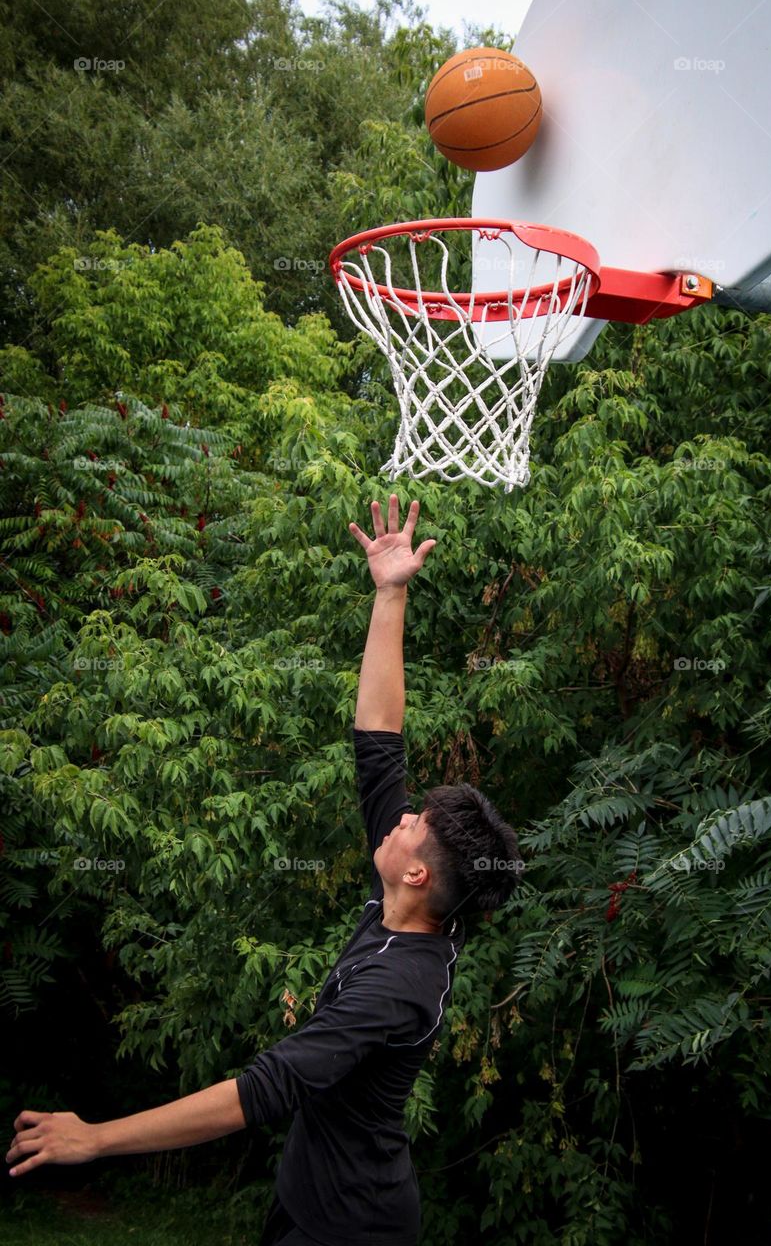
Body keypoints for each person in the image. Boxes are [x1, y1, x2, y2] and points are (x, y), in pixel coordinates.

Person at [5, 494, 523, 1246]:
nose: (401, 817)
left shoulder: (394, 990)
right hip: (315, 1210)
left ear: (418, 874)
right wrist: (390, 592)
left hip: (350, 1232)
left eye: (413, 824)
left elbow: (262, 1090)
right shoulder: (410, 900)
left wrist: (96, 1139)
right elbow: (379, 740)